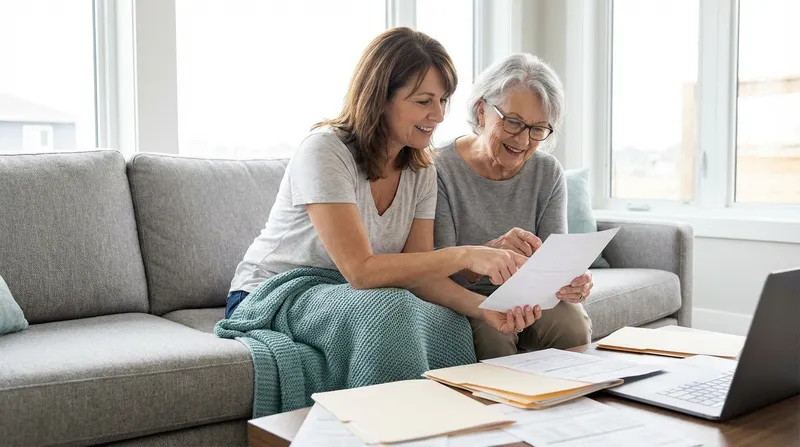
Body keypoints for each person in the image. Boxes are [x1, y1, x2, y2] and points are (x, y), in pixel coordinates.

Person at [226, 28, 544, 336]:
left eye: (443, 100)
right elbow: (361, 272)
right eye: (424, 101)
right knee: (389, 310)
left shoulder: (421, 169)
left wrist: (484, 307)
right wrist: (466, 255)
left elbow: (419, 276)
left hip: (345, 295)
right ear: (381, 99)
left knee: (446, 323)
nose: (439, 114)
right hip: (272, 292)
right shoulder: (325, 151)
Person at [434, 53, 594, 360]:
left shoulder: (547, 172)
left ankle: (570, 405)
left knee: (572, 324)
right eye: (514, 123)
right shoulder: (439, 169)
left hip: (529, 294)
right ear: (482, 111)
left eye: (538, 129)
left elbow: (554, 259)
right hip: (467, 297)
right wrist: (489, 251)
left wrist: (575, 280)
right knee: (494, 338)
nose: (523, 140)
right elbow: (436, 270)